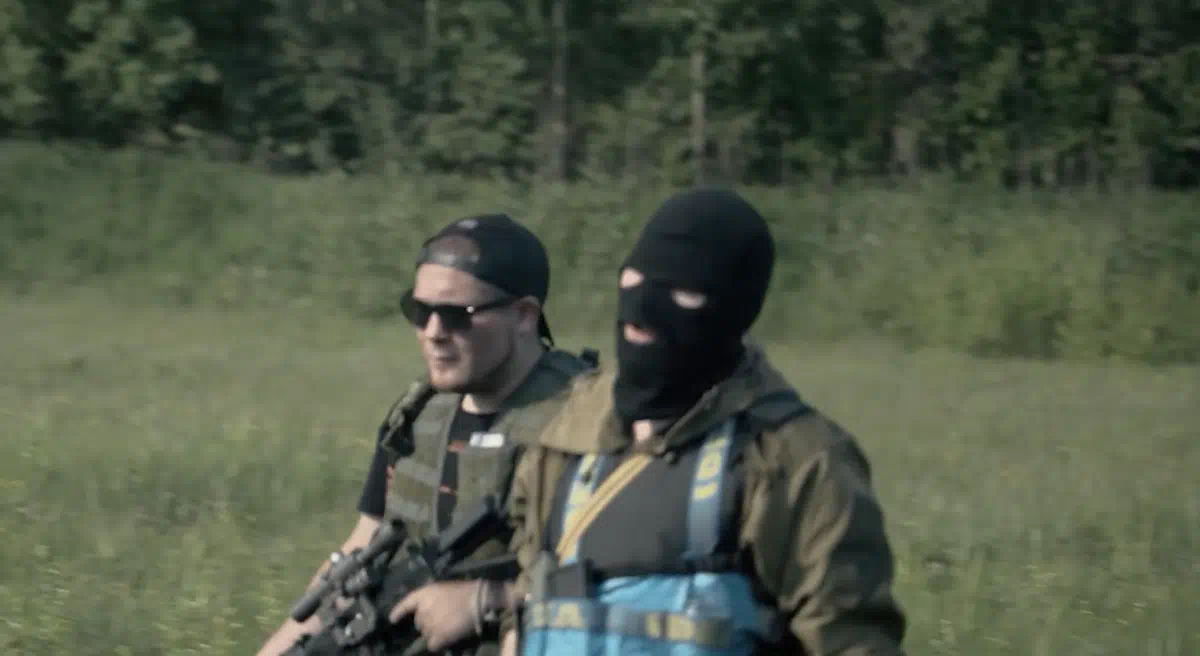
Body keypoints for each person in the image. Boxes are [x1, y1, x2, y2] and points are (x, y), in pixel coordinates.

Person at [490, 187, 909, 655]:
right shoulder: (566, 435)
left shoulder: (794, 460)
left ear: (733, 310)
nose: (643, 308)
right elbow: (528, 610)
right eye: (634, 279)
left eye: (683, 293)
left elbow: (850, 640)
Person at [254, 213, 599, 656]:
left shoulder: (585, 423)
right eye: (421, 312)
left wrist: (489, 600)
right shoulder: (418, 416)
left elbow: (621, 581)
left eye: (457, 315)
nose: (434, 332)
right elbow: (365, 540)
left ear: (524, 316)